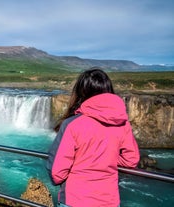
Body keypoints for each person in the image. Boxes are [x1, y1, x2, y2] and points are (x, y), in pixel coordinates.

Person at [46, 67, 140, 207]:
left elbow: (57, 172)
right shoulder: (122, 123)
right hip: (109, 201)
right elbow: (131, 160)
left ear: (81, 92)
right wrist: (108, 157)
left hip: (75, 199)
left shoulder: (72, 124)